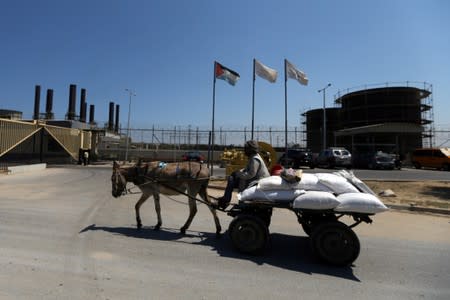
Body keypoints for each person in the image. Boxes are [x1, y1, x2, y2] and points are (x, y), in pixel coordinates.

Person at [216, 140, 270, 209]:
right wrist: (237, 172)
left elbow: (251, 174)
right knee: (232, 178)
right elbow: (247, 169)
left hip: (258, 181)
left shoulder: (254, 159)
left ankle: (228, 200)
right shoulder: (253, 157)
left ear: (250, 150)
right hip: (255, 179)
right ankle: (226, 199)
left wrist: (238, 174)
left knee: (236, 180)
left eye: (246, 149)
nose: (244, 151)